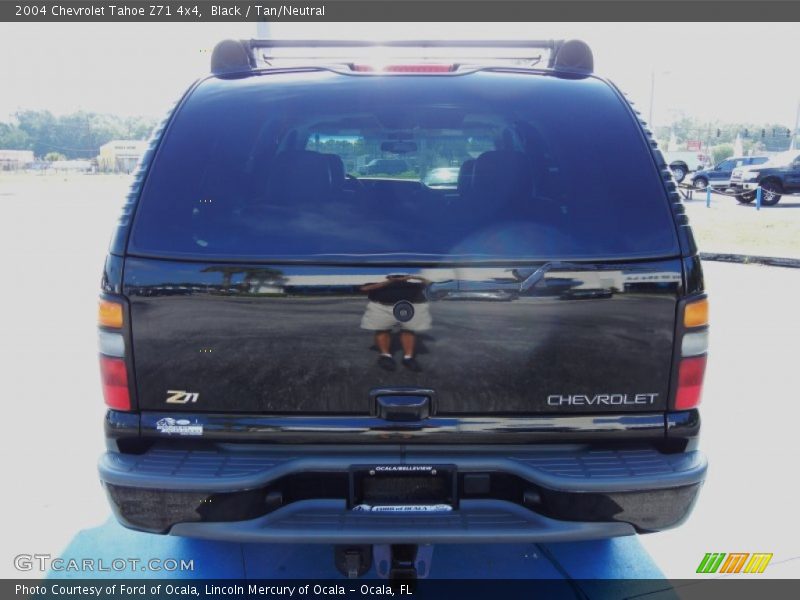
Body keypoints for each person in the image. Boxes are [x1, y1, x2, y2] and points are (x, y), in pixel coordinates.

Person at [360, 274, 432, 372]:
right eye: (395, 276)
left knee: (408, 331)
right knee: (382, 330)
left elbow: (431, 284)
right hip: (382, 307)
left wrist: (414, 277)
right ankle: (385, 356)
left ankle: (408, 358)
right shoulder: (379, 282)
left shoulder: (413, 284)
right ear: (388, 276)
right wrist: (390, 282)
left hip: (409, 307)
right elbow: (365, 288)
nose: (398, 277)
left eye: (401, 276)